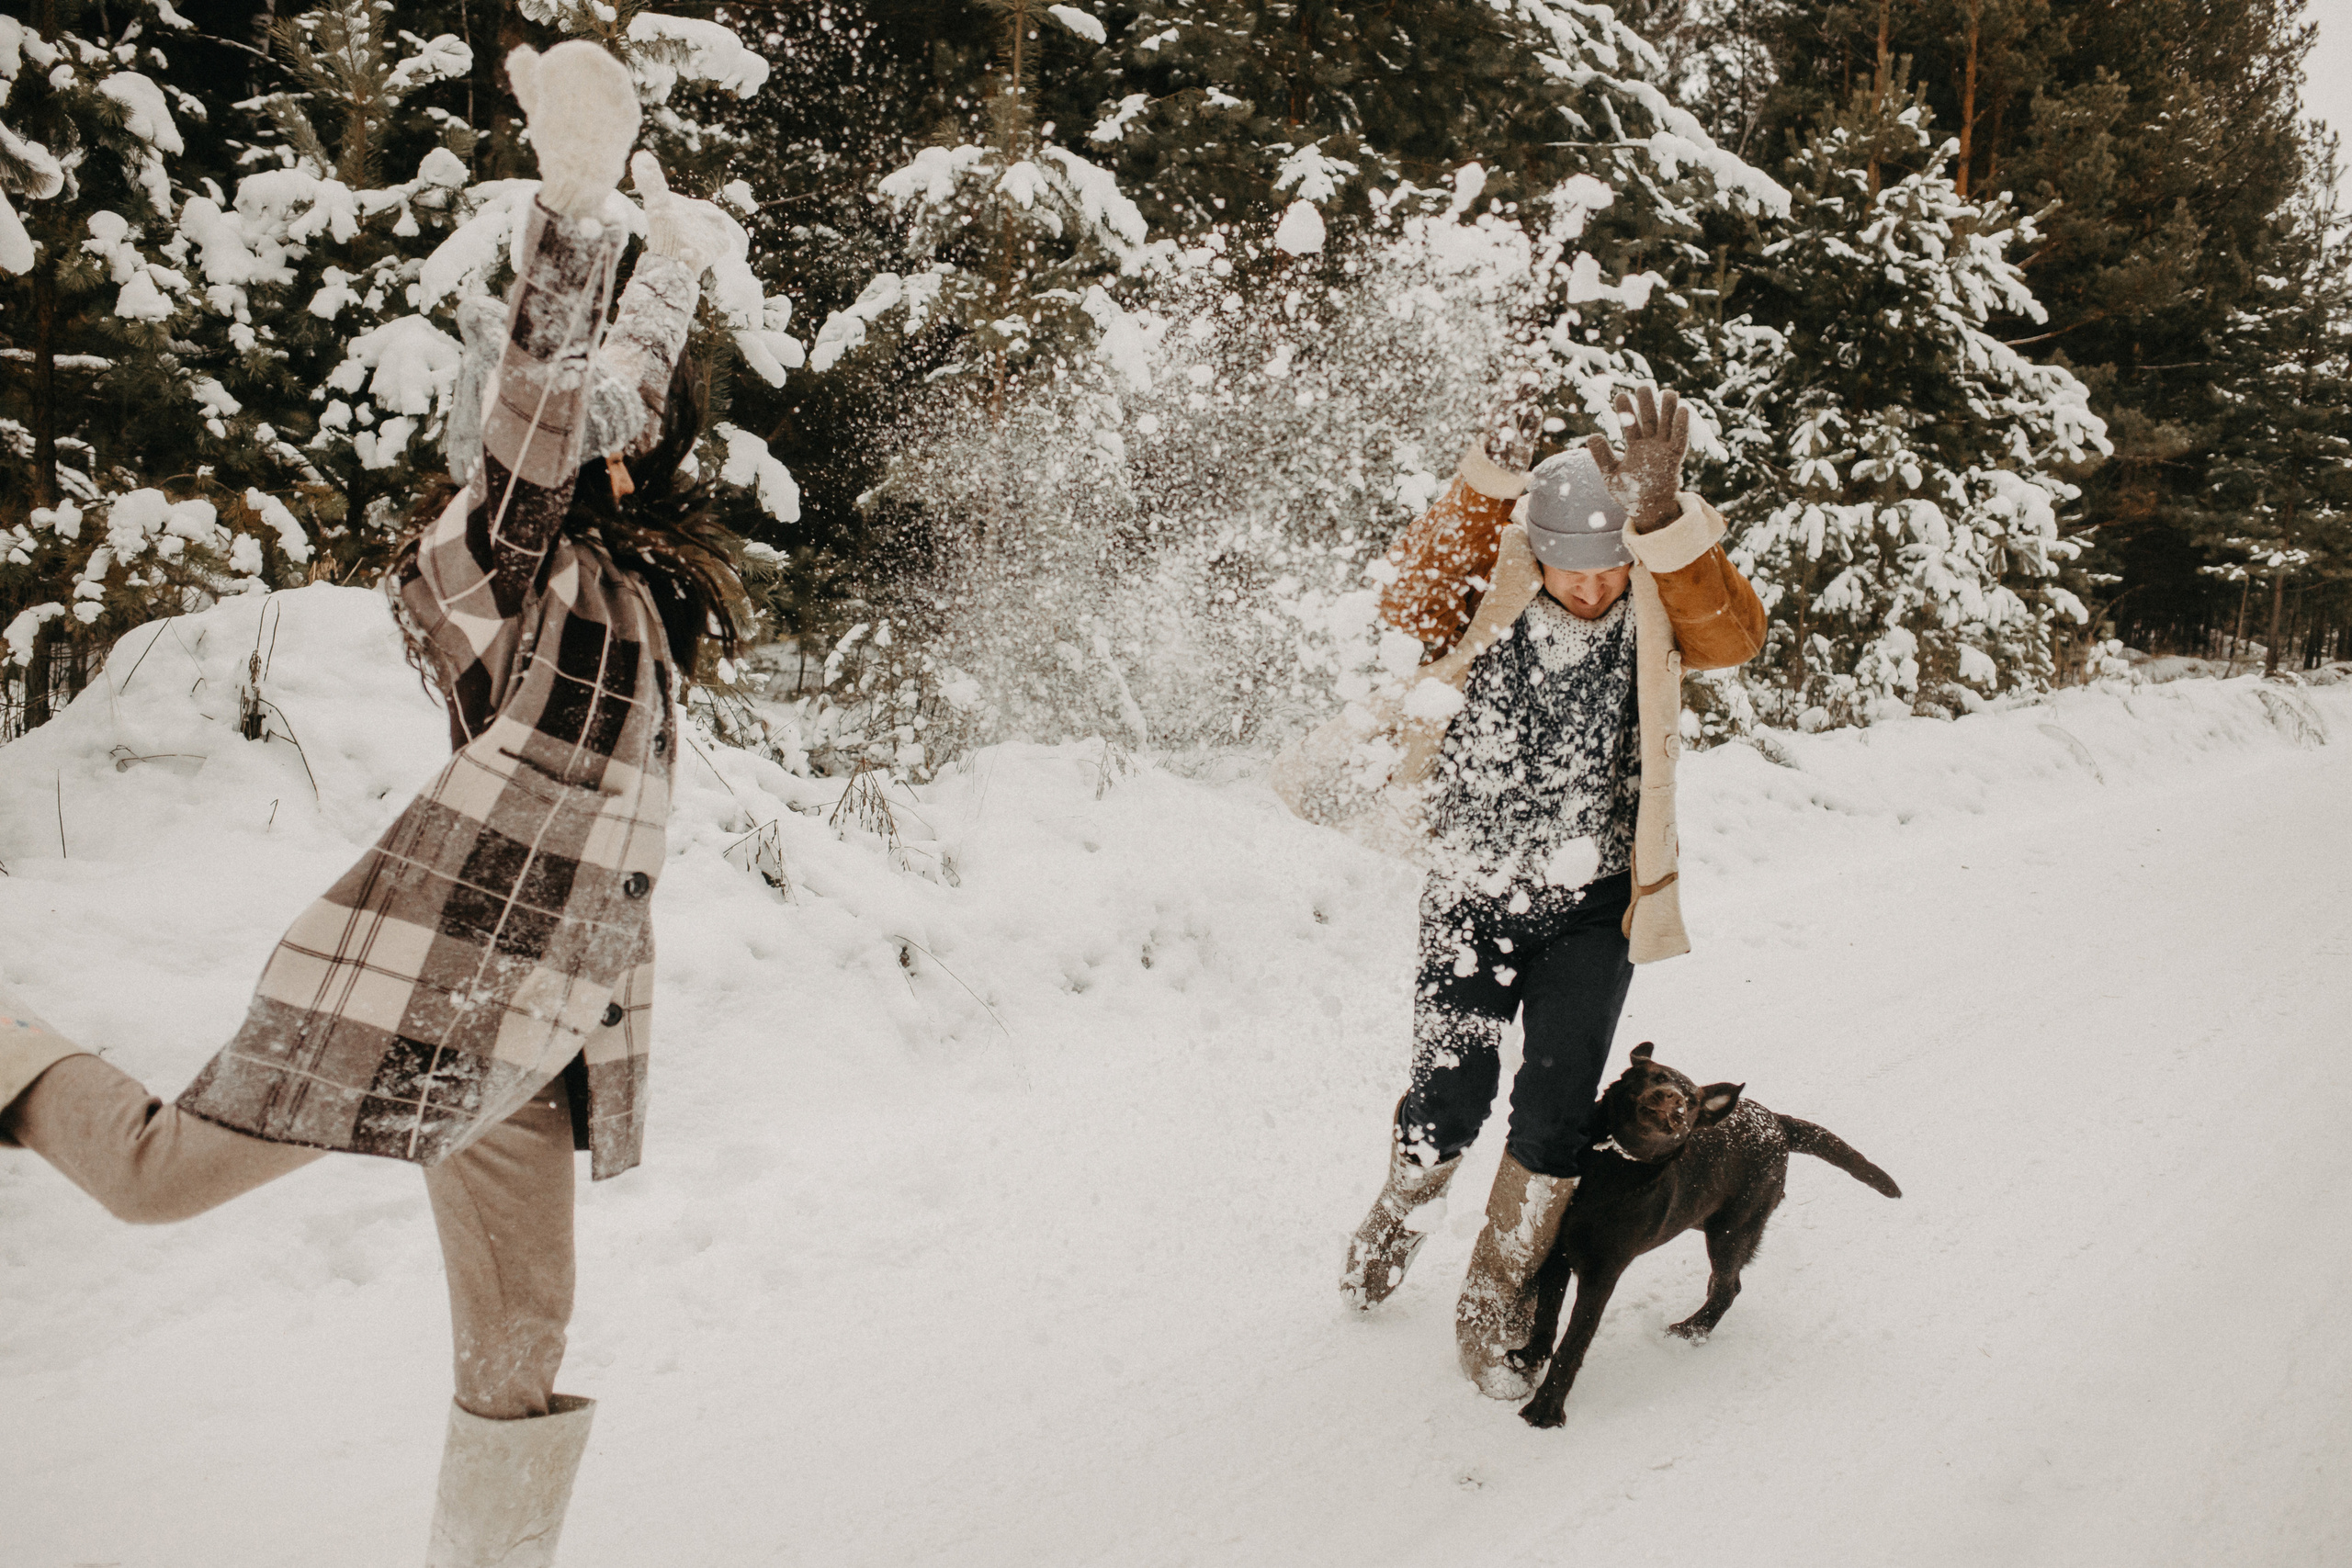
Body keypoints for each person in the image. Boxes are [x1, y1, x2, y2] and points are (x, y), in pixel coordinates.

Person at [0, 41, 744, 1566]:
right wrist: (581, 212)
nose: (616, 438)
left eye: (637, 431)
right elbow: (550, 409)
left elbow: (624, 396)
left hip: (534, 1040)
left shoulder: (634, 602)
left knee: (523, 1351)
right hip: (419, 1001)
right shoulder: (484, 575)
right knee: (151, 1180)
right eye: (589, 431)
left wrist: (668, 275)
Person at [1331, 388, 1767, 1397]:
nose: (1597, 586)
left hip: (1592, 902)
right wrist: (1485, 481)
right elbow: (1407, 601)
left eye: (1613, 565)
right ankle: (1399, 1206)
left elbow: (1732, 637)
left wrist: (1660, 522)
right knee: (1449, 1096)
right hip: (1472, 893)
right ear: (1540, 555)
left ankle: (1497, 1297)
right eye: (1577, 570)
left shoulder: (1654, 593)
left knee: (1558, 1112)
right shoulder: (1494, 580)